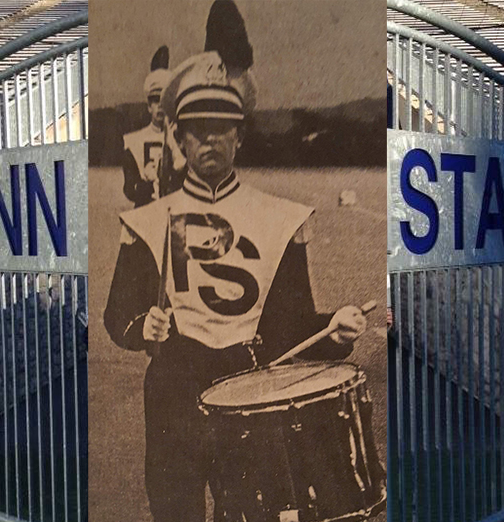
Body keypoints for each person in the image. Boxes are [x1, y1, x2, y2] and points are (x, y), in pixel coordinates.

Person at [104, 2, 367, 520]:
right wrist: (145, 328)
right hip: (173, 396)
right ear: (177, 138)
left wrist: (334, 330)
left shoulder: (280, 219)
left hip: (250, 394)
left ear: (240, 135)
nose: (210, 138)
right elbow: (118, 316)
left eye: (223, 127)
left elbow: (292, 327)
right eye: (197, 127)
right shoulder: (147, 221)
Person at [121, 45, 186, 207]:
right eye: (156, 101)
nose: (161, 107)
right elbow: (129, 189)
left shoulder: (183, 141)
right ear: (149, 106)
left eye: (165, 102)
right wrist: (144, 186)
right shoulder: (133, 141)